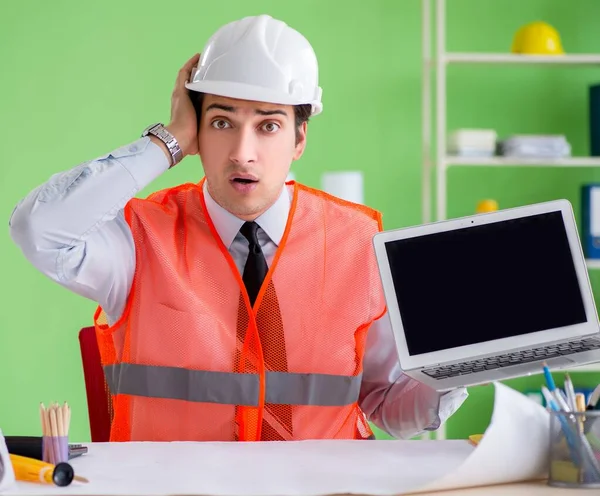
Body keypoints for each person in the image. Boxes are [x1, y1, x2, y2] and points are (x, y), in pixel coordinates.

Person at [9, 14, 467, 442]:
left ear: (300, 139)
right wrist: (167, 141)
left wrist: (462, 362)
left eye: (268, 126)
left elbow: (390, 406)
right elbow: (39, 229)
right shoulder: (139, 239)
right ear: (197, 134)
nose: (242, 152)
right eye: (222, 122)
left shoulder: (356, 245)